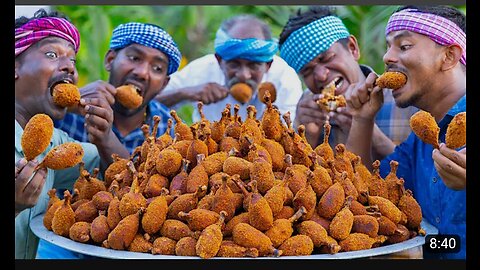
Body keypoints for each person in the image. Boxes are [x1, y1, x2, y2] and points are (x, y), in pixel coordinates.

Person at [37, 21, 183, 259]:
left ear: (164, 83)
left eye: (157, 69)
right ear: (110, 59)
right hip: (57, 239)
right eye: (135, 58)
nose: (143, 73)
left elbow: (156, 198)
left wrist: (105, 139)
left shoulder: (171, 131)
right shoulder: (66, 108)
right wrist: (62, 106)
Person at [344, 5, 466, 259]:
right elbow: (362, 195)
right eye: (388, 46)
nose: (387, 57)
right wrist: (363, 119)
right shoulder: (419, 140)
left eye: (404, 46)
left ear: (449, 56)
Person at [15, 8, 119, 259]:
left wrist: (104, 136)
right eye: (52, 54)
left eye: (72, 60)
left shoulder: (54, 143)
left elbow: (122, 170)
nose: (69, 69)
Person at [278, 6, 418, 160]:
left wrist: (366, 130)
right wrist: (306, 135)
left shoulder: (404, 99)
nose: (321, 75)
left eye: (327, 58)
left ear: (352, 48)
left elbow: (427, 176)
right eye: (307, 72)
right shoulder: (307, 113)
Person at [156, 14, 303, 123]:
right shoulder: (201, 70)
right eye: (234, 64)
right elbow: (147, 103)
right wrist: (186, 93)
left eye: (254, 65)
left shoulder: (284, 79)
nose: (244, 75)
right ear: (219, 61)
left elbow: (288, 132)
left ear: (268, 65)